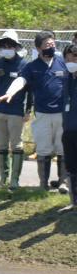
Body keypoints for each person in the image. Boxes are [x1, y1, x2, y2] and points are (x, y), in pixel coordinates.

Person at [0, 30, 68, 193]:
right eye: (47, 45)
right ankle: (43, 184)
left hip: (61, 114)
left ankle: (63, 182)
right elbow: (21, 80)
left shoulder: (63, 62)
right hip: (42, 115)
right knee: (43, 149)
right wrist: (10, 92)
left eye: (53, 44)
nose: (51, 47)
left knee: (62, 148)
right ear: (38, 48)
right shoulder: (32, 67)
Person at [0, 29, 29, 189]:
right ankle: (3, 179)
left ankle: (14, 180)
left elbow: (30, 91)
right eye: (4, 45)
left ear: (16, 47)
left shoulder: (24, 64)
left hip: (16, 111)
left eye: (10, 45)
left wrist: (28, 110)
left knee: (16, 145)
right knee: (1, 145)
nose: (6, 48)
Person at [60, 43, 77, 212]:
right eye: (68, 58)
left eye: (75, 57)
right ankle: (74, 202)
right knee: (71, 168)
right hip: (68, 130)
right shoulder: (66, 79)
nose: (71, 60)